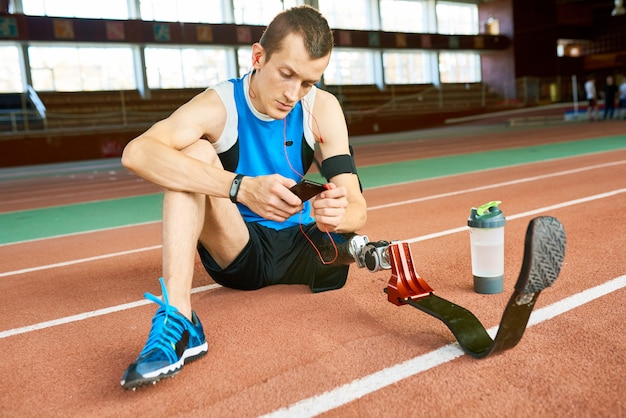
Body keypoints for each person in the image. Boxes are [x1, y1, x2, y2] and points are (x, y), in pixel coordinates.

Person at [119, 5, 371, 390]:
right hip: (241, 248)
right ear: (258, 57)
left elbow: (357, 207)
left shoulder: (322, 107)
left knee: (352, 241)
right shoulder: (219, 106)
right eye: (286, 74)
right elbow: (136, 153)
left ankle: (352, 249)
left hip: (306, 246)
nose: (293, 94)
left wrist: (339, 214)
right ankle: (180, 318)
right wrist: (239, 187)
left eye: (307, 82)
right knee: (195, 154)